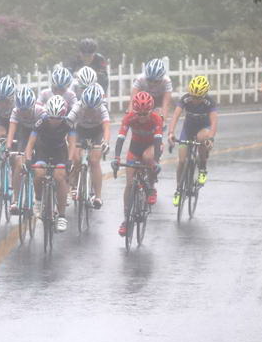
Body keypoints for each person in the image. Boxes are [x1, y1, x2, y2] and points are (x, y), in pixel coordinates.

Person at [111, 91, 163, 237]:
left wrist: (156, 161)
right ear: (134, 111)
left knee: (148, 157)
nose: (141, 117)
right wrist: (116, 158)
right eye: (138, 114)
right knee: (129, 183)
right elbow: (121, 139)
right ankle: (126, 220)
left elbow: (158, 141)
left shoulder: (156, 119)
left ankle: (151, 187)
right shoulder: (129, 118)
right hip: (135, 147)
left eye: (145, 113)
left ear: (151, 111)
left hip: (153, 146)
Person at [23, 95, 76, 232]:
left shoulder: (68, 123)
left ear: (63, 116)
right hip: (43, 150)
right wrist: (28, 159)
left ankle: (62, 216)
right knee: (39, 173)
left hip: (60, 151)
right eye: (51, 117)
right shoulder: (41, 122)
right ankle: (39, 199)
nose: (54, 121)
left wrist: (70, 160)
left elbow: (72, 144)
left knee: (60, 176)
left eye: (57, 118)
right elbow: (30, 143)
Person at [168, 76, 218, 207]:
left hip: (203, 129)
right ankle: (179, 190)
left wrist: (211, 138)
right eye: (193, 96)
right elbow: (175, 116)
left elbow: (213, 123)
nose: (195, 100)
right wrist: (171, 133)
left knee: (202, 139)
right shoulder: (185, 99)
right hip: (188, 130)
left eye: (198, 97)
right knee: (182, 160)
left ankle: (202, 168)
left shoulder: (209, 103)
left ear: (204, 95)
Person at [67, 84, 110, 209]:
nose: (90, 112)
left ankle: (97, 196)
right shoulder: (78, 106)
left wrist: (106, 142)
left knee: (94, 160)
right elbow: (67, 124)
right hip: (80, 130)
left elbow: (106, 127)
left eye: (93, 110)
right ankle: (74, 185)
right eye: (88, 109)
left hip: (97, 132)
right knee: (76, 158)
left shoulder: (102, 109)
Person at [6, 86, 45, 214]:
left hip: (40, 137)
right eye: (21, 110)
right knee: (18, 162)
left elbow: (47, 133)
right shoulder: (16, 111)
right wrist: (8, 148)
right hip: (25, 135)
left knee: (40, 167)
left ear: (32, 106)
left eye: (27, 110)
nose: (24, 113)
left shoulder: (41, 111)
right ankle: (16, 200)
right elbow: (11, 132)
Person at [129, 58, 172, 129]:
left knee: (159, 118)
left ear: (161, 78)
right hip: (143, 100)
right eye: (149, 80)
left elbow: (166, 104)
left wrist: (162, 121)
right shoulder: (140, 79)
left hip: (158, 100)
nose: (152, 83)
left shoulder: (167, 81)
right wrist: (130, 118)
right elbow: (132, 101)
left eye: (156, 81)